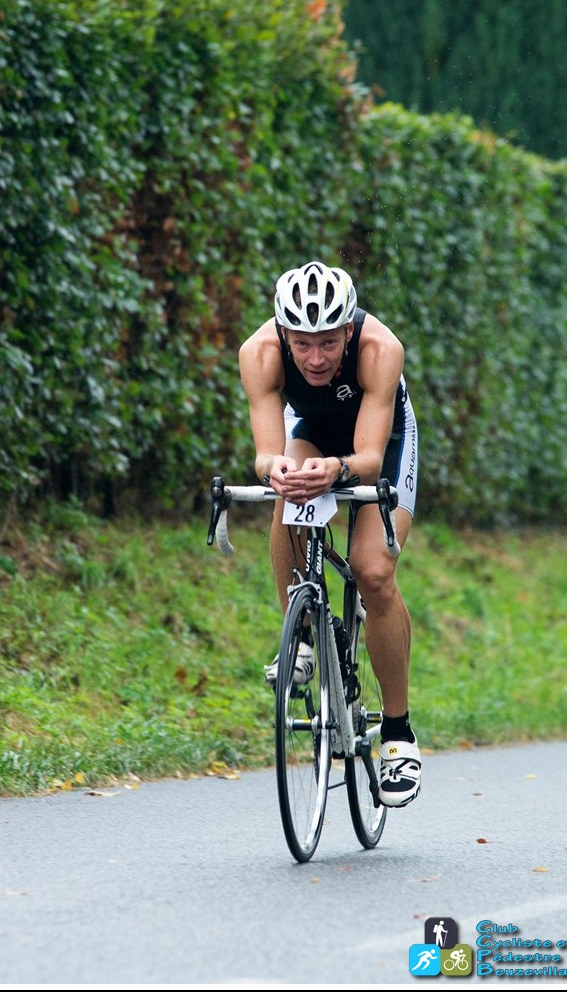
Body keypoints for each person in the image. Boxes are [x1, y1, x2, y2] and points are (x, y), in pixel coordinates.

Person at [238, 260, 421, 807]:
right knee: (287, 489)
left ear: (347, 330)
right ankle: (300, 635)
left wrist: (337, 471)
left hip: (380, 443)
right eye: (302, 344)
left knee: (372, 571)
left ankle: (398, 734)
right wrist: (279, 471)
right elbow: (266, 454)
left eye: (327, 343)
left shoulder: (379, 349)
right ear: (283, 334)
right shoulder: (259, 353)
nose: (315, 358)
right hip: (313, 434)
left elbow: (367, 459)